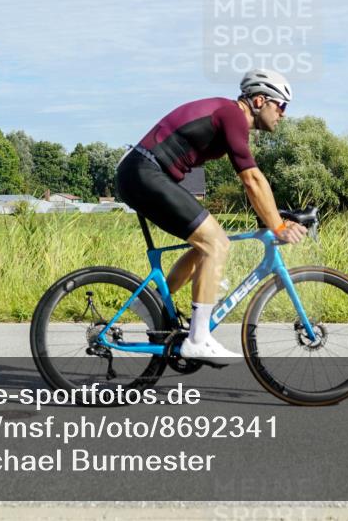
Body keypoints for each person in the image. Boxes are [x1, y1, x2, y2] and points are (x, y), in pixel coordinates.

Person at [115, 69, 307, 363]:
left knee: (205, 244)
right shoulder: (232, 115)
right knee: (216, 243)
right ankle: (198, 339)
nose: (283, 114)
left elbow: (252, 182)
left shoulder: (229, 118)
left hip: (143, 174)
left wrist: (275, 214)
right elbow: (252, 180)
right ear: (259, 101)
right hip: (145, 173)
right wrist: (278, 226)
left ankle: (150, 305)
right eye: (281, 105)